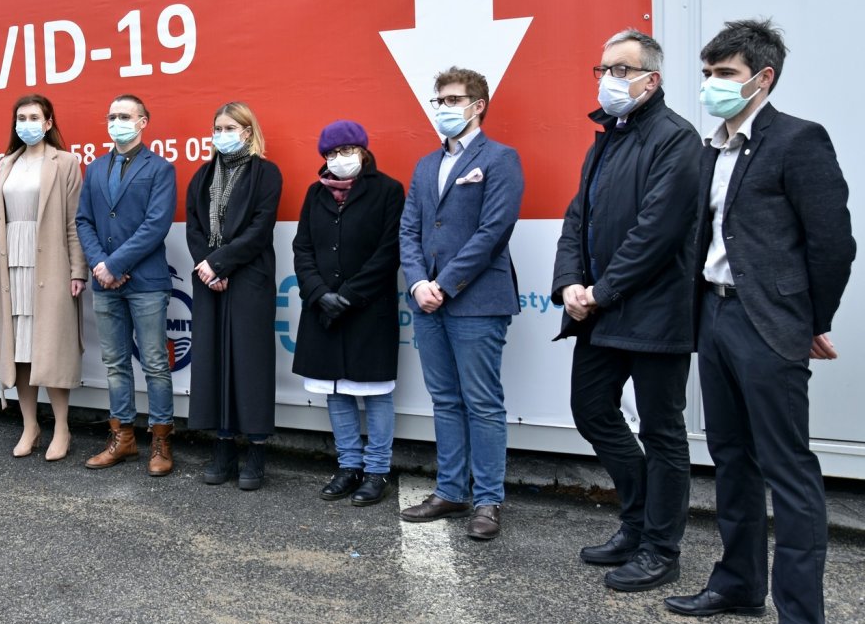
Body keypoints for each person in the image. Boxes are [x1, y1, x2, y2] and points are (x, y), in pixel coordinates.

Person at [664, 20, 854, 624]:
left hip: (767, 326)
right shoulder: (709, 150)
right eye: (708, 72)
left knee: (787, 470)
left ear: (761, 79)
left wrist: (809, 319)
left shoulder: (798, 141)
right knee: (730, 457)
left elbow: (832, 243)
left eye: (724, 73)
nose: (711, 85)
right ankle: (738, 584)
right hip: (714, 320)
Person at [551, 29, 701, 591]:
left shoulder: (676, 139)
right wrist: (569, 281)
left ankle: (662, 548)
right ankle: (636, 521)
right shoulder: (606, 137)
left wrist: (601, 291)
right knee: (591, 410)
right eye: (603, 69)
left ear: (651, 79)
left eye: (619, 69)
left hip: (655, 312)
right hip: (601, 310)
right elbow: (577, 218)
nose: (607, 79)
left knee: (663, 430)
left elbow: (656, 233)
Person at [399, 68, 523, 539]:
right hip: (427, 302)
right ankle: (450, 490)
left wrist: (444, 284)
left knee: (482, 402)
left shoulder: (500, 159)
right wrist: (417, 284)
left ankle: (488, 500)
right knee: (445, 400)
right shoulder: (426, 165)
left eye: (454, 99)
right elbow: (409, 230)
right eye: (440, 100)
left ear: (478, 105)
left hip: (476, 301)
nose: (445, 108)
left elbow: (493, 233)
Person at [293, 120, 405, 506]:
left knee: (375, 393)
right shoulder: (315, 193)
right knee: (335, 391)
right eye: (330, 154)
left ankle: (376, 471)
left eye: (345, 151)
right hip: (323, 308)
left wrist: (350, 295)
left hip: (368, 308)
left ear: (363, 151)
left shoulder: (388, 190)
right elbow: (302, 248)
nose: (338, 160)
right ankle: (348, 465)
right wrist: (319, 293)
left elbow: (389, 251)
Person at [0, 94, 88, 461]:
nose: (26, 123)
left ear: (48, 122)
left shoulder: (67, 163)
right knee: (18, 351)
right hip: (10, 266)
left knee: (50, 349)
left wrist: (77, 269)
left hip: (51, 266)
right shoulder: (5, 164)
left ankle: (61, 427)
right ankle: (30, 425)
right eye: (20, 117)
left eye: (34, 116)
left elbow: (75, 221)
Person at [75, 94, 178, 475]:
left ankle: (161, 441)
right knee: (115, 363)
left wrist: (115, 263)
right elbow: (83, 221)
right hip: (106, 283)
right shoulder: (95, 169)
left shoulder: (161, 169)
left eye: (125, 116)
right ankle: (123, 439)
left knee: (154, 363)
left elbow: (156, 225)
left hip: (147, 282)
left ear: (143, 122)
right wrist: (101, 265)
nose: (117, 121)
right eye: (112, 115)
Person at [185, 103, 283, 490]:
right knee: (214, 362)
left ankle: (256, 450)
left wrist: (221, 263)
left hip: (249, 278)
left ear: (247, 131)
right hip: (210, 279)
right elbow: (194, 226)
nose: (221, 133)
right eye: (217, 127)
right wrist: (207, 266)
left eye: (230, 126)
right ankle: (222, 445)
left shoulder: (266, 173)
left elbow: (260, 229)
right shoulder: (203, 174)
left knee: (251, 363)